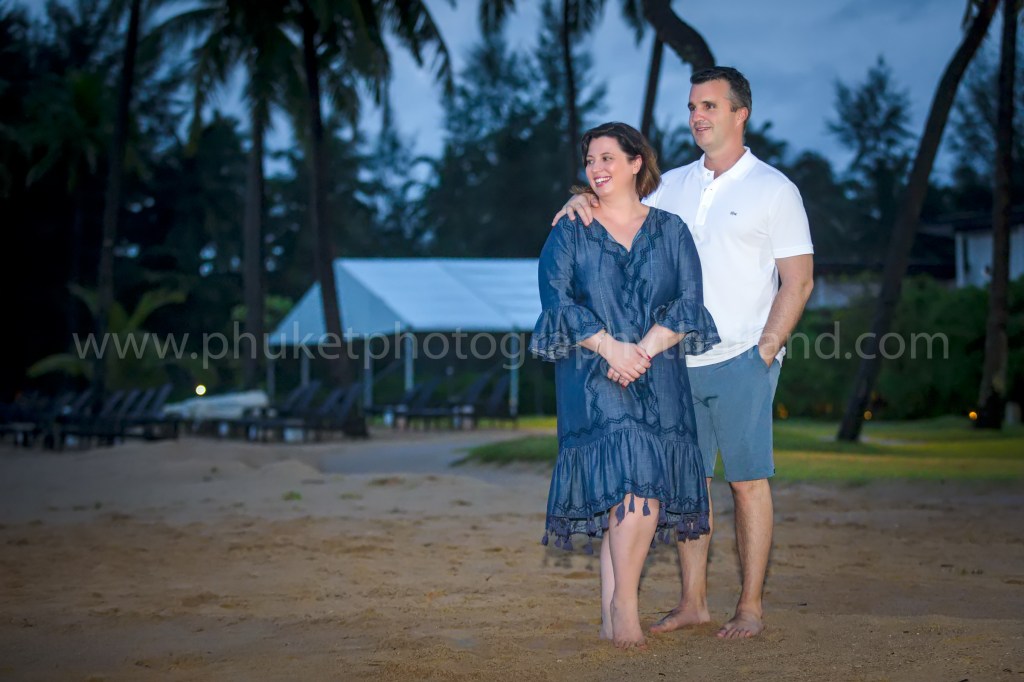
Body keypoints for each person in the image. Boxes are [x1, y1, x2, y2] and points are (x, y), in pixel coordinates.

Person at [554, 67, 815, 639]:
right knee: (685, 485)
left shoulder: (774, 189)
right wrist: (578, 198)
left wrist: (763, 355)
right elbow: (614, 198)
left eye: (711, 106)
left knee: (747, 482)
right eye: (693, 105)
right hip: (669, 364)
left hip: (742, 356)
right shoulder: (670, 183)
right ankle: (693, 601)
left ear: (740, 113)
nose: (698, 115)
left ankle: (748, 606)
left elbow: (798, 282)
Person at [530, 122, 720, 650]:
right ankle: (625, 608)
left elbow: (689, 302)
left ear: (638, 163)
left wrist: (642, 351)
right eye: (591, 160)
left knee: (643, 488)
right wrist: (612, 349)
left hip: (659, 371)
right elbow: (557, 301)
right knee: (629, 483)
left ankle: (614, 608)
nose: (597, 168)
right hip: (593, 373)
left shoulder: (672, 229)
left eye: (609, 157)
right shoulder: (570, 228)